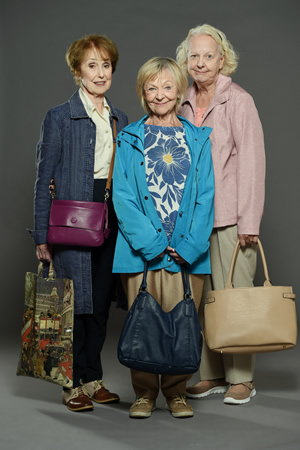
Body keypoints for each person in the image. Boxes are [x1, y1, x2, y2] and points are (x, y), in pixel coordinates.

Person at [29, 34, 128, 412]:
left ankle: (93, 377)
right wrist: (41, 234)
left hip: (110, 219)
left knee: (100, 302)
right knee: (74, 304)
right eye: (92, 65)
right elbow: (43, 178)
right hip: (71, 219)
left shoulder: (120, 118)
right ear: (77, 71)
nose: (100, 72)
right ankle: (71, 384)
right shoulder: (59, 117)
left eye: (106, 65)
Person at [112, 57, 214, 418]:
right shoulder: (129, 137)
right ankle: (143, 394)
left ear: (178, 91)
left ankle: (176, 393)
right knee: (144, 322)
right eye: (151, 87)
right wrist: (153, 244)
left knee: (183, 323)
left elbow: (206, 196)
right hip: (143, 251)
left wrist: (188, 246)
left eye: (167, 87)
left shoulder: (198, 138)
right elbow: (122, 196)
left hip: (188, 250)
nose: (159, 94)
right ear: (143, 92)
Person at [176, 24, 266, 405]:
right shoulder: (180, 99)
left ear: (222, 60)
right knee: (206, 299)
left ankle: (242, 378)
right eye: (193, 55)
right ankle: (211, 374)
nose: (200, 62)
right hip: (192, 220)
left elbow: (253, 162)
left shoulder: (239, 101)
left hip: (231, 217)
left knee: (236, 296)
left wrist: (249, 221)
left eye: (207, 55)